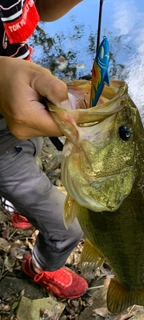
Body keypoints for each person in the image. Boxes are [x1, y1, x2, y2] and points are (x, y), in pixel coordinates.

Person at [0, 0, 88, 299]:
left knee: (32, 146)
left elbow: (43, 9)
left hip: (19, 99)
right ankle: (40, 267)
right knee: (69, 230)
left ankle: (15, 205)